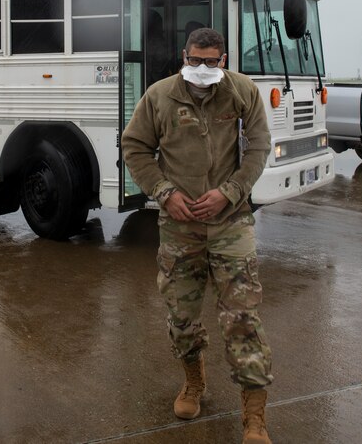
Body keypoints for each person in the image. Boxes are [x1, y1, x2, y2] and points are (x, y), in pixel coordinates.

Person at [121, 27, 274, 444]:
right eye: (194, 60)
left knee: (242, 318)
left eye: (210, 62)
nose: (202, 69)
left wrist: (230, 192)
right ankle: (193, 383)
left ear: (223, 60)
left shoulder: (242, 92)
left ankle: (254, 416)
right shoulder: (159, 96)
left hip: (230, 222)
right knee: (182, 317)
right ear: (183, 55)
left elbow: (260, 146)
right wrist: (164, 193)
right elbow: (134, 147)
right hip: (179, 225)